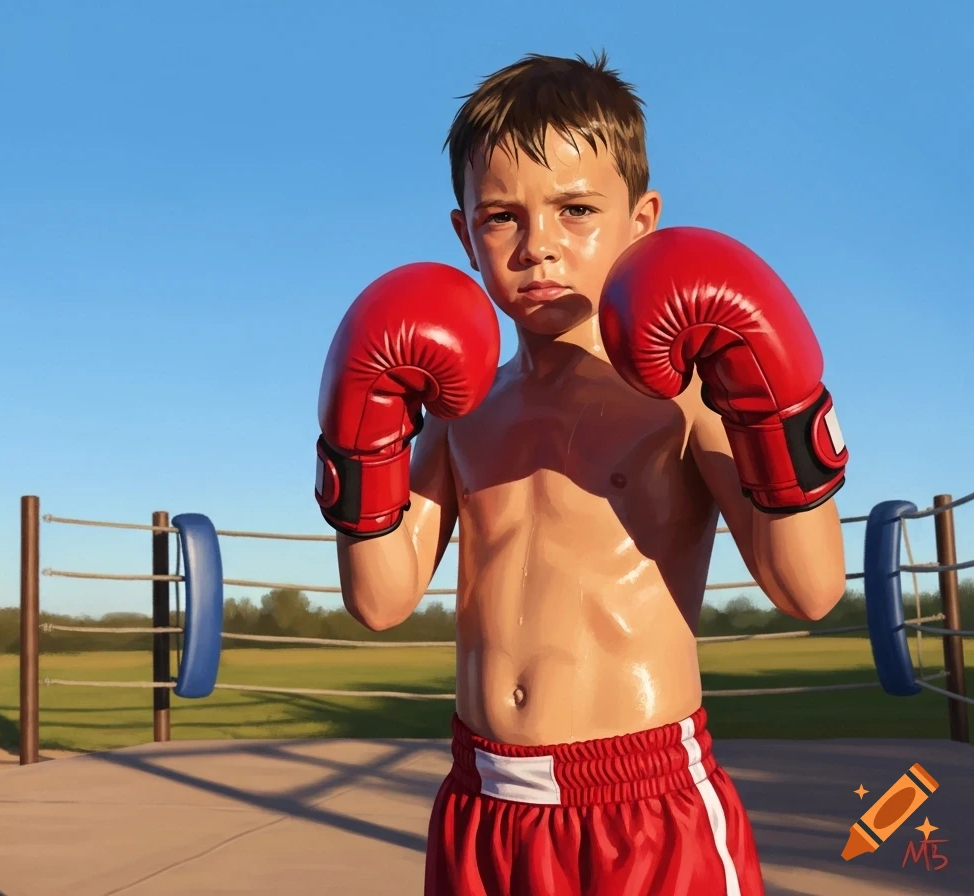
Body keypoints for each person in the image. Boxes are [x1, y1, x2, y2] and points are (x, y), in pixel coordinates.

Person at [312, 52, 849, 896]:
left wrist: (772, 408)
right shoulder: (463, 411)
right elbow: (379, 602)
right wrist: (359, 434)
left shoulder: (687, 400)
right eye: (501, 218)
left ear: (643, 220)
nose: (539, 248)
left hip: (643, 800)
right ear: (462, 232)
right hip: (482, 801)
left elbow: (811, 589)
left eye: (576, 210)